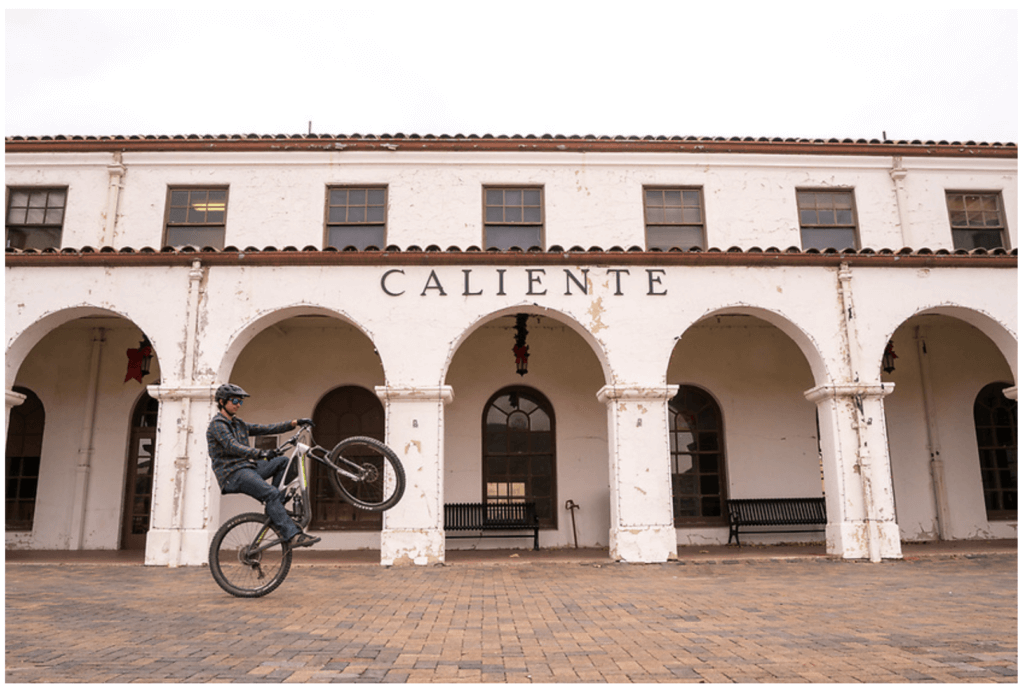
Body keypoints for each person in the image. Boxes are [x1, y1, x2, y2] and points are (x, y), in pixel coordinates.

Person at [206, 383, 320, 548]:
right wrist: (260, 453)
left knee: (283, 462)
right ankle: (293, 535)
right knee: (271, 493)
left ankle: (275, 508)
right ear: (222, 402)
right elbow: (232, 446)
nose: (238, 404)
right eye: (234, 401)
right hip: (232, 474)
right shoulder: (217, 425)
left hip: (248, 468)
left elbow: (266, 428)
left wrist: (295, 422)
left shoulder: (239, 424)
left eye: (240, 402)